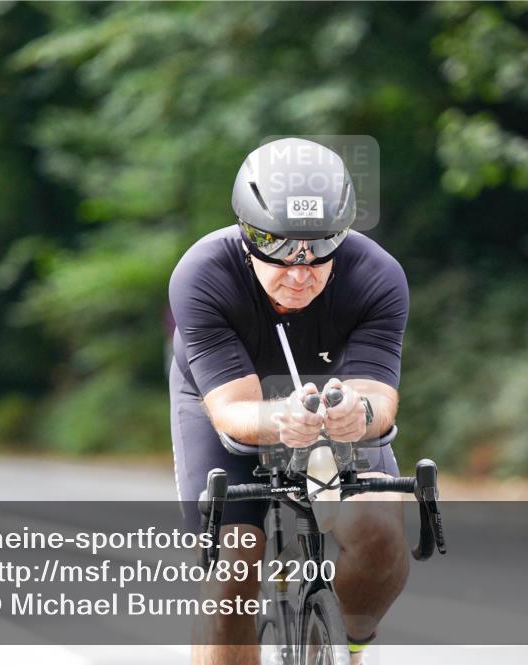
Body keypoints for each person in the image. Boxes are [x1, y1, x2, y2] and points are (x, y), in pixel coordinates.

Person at [169, 137, 409, 665]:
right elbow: (232, 412)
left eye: (321, 247)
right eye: (278, 248)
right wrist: (280, 418)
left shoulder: (377, 275)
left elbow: (377, 399)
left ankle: (343, 647)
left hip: (330, 404)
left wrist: (358, 413)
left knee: (379, 536)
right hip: (227, 401)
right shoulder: (203, 273)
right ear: (247, 233)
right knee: (233, 568)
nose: (300, 272)